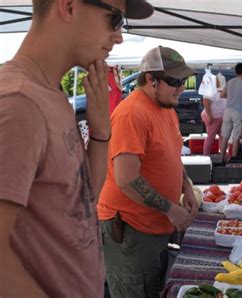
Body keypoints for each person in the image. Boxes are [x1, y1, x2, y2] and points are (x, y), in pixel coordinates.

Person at [0, 0, 153, 297]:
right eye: (115, 19)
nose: (119, 36)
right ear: (68, 6)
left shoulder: (49, 95)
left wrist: (100, 132)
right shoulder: (19, 104)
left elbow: (83, 200)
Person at [97, 46, 199, 297]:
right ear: (151, 79)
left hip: (152, 227)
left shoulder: (165, 108)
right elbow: (127, 178)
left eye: (183, 80)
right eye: (174, 81)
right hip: (131, 229)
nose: (181, 87)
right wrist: (170, 208)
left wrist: (186, 187)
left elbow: (171, 156)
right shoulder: (132, 114)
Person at [219, 63, 242, 160]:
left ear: (235, 71)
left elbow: (221, 95)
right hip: (238, 112)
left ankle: (221, 158)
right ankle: (233, 159)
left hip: (227, 111)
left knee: (225, 136)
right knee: (236, 137)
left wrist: (231, 97)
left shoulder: (229, 82)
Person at [201, 78, 226, 155]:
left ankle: (222, 155)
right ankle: (206, 155)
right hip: (214, 117)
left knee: (223, 137)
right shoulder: (210, 92)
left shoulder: (220, 90)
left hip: (221, 117)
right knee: (211, 137)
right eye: (218, 81)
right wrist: (210, 116)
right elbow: (206, 104)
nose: (220, 82)